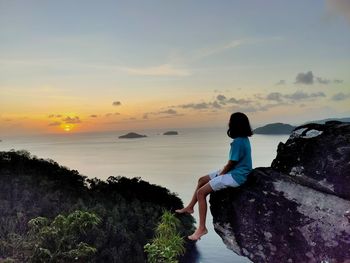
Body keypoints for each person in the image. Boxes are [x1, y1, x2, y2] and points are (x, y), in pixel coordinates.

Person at [176, 112, 253, 241]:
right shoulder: (243, 139)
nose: (228, 123)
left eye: (230, 121)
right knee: (201, 180)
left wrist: (221, 174)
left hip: (236, 176)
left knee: (201, 193)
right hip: (236, 171)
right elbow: (233, 163)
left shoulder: (238, 142)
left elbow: (231, 163)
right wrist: (222, 172)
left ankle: (201, 228)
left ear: (234, 125)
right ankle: (190, 207)